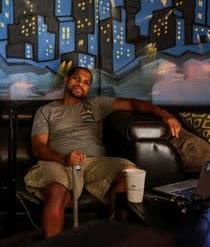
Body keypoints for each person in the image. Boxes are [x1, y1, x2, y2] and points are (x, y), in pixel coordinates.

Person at [24, 66, 182, 239]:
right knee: (57, 190)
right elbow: (38, 148)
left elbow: (133, 103)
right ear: (66, 80)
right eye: (76, 78)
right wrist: (64, 158)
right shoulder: (46, 111)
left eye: (86, 83)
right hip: (59, 161)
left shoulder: (97, 104)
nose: (80, 84)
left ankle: (108, 237)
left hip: (94, 162)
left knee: (130, 175)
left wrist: (165, 115)